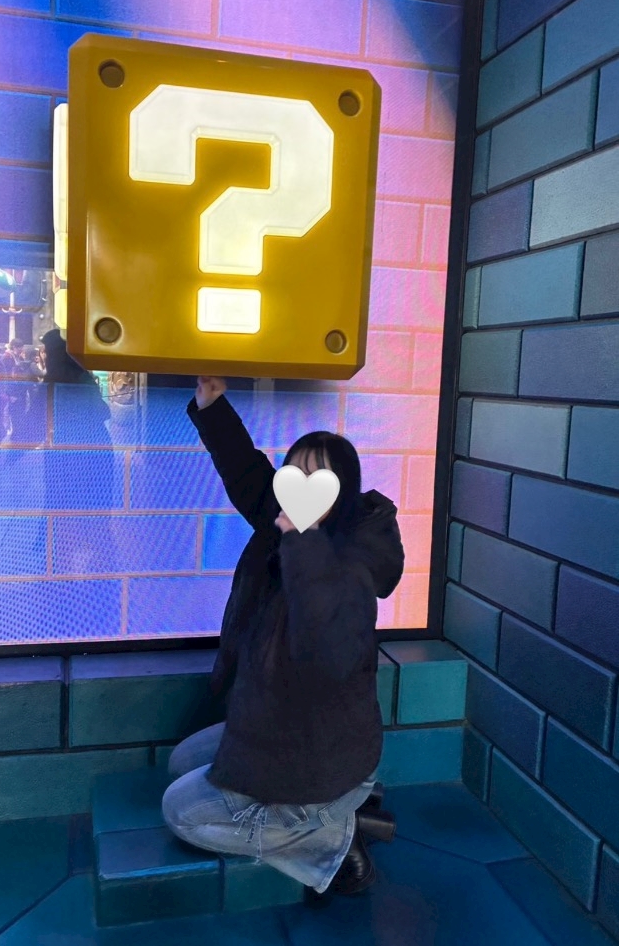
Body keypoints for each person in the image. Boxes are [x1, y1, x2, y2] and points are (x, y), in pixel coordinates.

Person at [162, 376, 405, 898]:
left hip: (314, 754)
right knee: (181, 762)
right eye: (295, 473)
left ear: (342, 493)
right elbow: (248, 475)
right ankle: (345, 807)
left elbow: (323, 645)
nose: (298, 487)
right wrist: (212, 405)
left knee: (181, 813)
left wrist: (304, 542)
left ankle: (332, 838)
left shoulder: (349, 566)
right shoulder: (286, 528)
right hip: (280, 733)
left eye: (317, 479)